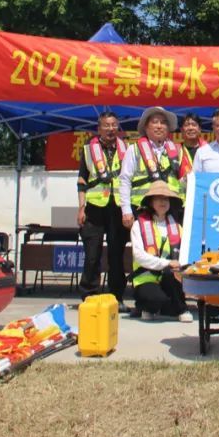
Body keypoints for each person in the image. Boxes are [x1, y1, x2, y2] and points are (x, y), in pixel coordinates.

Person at [76, 112, 129, 307]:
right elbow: (82, 180)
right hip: (94, 208)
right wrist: (81, 207)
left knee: (116, 255)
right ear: (99, 128)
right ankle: (89, 295)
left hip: (118, 207)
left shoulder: (127, 149)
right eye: (106, 125)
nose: (110, 129)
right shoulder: (88, 150)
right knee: (92, 254)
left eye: (114, 125)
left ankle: (116, 297)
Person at [118, 106, 192, 229]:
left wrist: (187, 179)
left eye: (163, 123)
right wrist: (126, 210)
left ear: (168, 128)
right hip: (142, 208)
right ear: (146, 127)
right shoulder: (134, 150)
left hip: (172, 208)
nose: (159, 126)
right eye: (155, 122)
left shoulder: (179, 150)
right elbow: (125, 180)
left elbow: (185, 182)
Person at [129, 182, 192, 322]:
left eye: (166, 199)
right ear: (151, 202)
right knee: (155, 299)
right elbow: (139, 256)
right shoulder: (138, 225)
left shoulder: (177, 226)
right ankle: (146, 307)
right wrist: (166, 263)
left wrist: (178, 266)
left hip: (170, 277)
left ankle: (182, 309)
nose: (163, 202)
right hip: (145, 277)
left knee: (171, 275)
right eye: (158, 198)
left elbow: (185, 252)